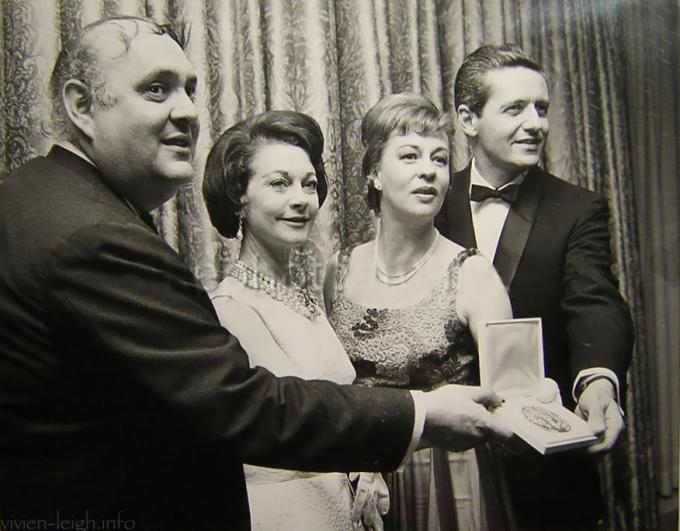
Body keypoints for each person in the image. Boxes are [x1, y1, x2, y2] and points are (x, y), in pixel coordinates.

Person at [0, 16, 513, 531]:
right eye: (156, 90)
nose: (186, 111)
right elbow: (240, 405)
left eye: (190, 89)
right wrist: (420, 415)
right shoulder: (94, 234)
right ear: (81, 105)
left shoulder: (40, 200)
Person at [434, 44, 634, 531]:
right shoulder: (429, 201)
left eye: (541, 108)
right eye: (515, 108)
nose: (536, 123)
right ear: (468, 118)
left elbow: (596, 302)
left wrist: (599, 381)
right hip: (449, 464)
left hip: (543, 467)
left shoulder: (578, 209)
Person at [326, 92, 516, 531]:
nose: (428, 170)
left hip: (448, 485)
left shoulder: (473, 274)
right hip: (359, 478)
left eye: (439, 158)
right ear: (374, 173)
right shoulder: (338, 269)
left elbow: (510, 406)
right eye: (409, 155)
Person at [202, 110, 388, 530]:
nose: (302, 199)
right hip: (284, 513)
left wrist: (367, 471)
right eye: (279, 183)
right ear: (239, 197)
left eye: (309, 183)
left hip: (336, 507)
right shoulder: (231, 308)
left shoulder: (301, 296)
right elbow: (297, 423)